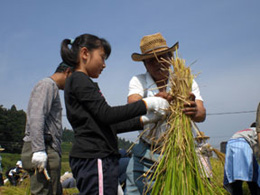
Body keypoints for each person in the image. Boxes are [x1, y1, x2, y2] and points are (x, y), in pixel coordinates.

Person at [61, 33, 170, 195]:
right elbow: (108, 115)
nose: (104, 65)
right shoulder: (79, 80)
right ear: (85, 53)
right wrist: (148, 103)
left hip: (100, 159)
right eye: (102, 57)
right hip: (94, 158)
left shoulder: (83, 82)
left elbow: (109, 124)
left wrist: (144, 121)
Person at [125, 32, 206, 194]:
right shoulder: (139, 81)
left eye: (162, 56)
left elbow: (201, 114)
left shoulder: (186, 80)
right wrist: (153, 101)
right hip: (146, 153)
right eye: (151, 60)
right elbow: (132, 105)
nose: (158, 63)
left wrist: (194, 110)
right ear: (145, 64)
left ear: (170, 57)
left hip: (179, 154)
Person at [21, 62, 73, 194]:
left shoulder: (51, 87)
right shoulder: (47, 85)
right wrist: (39, 149)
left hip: (48, 147)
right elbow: (37, 115)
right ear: (68, 72)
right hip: (44, 147)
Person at [223, 122, 260, 195]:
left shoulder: (243, 131)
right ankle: (255, 191)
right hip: (242, 144)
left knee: (234, 175)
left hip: (230, 144)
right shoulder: (256, 130)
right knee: (251, 172)